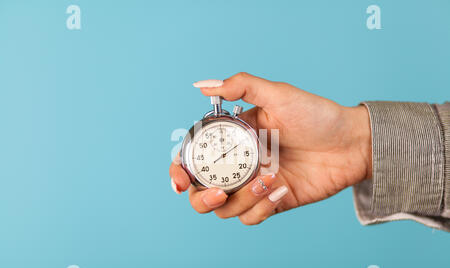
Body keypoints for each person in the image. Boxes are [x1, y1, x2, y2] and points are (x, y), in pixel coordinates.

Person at [169, 72, 450, 231]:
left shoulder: (251, 139)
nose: (221, 156)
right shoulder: (211, 143)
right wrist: (361, 144)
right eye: (211, 156)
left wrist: (360, 144)